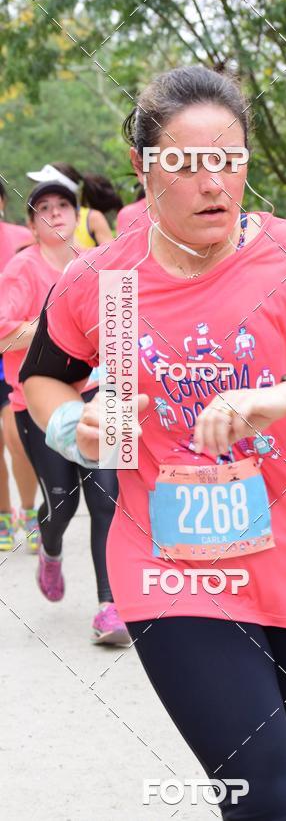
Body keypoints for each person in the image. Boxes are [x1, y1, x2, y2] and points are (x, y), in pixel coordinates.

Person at [21, 65, 286, 820]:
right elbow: (44, 377)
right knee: (260, 790)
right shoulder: (101, 279)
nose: (214, 183)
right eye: (185, 164)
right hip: (170, 569)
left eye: (230, 160)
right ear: (142, 169)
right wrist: (73, 424)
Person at [0, 180, 129, 645]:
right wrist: (51, 331)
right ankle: (49, 543)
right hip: (36, 401)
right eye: (43, 209)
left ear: (75, 216)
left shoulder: (95, 264)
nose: (54, 214)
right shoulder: (21, 271)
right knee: (62, 500)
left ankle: (110, 606)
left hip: (98, 394)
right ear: (32, 224)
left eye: (63, 206)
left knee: (107, 495)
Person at [0, 179, 39, 550]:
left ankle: (28, 511)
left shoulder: (17, 239)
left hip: (9, 351)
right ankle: (3, 515)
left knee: (16, 440)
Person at [27, 162, 120, 247]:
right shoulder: (41, 221)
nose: (40, 189)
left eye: (46, 184)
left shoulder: (92, 217)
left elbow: (111, 256)